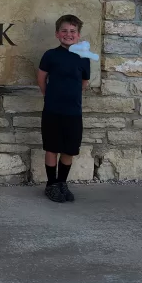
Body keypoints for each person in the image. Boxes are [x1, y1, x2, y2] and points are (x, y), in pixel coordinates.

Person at [37, 15, 90, 203]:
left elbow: (84, 81)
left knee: (69, 150)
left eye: (73, 31)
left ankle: (61, 183)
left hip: (73, 112)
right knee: (52, 148)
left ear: (78, 35)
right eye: (65, 31)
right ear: (57, 34)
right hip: (53, 110)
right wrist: (49, 96)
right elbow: (41, 78)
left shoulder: (83, 58)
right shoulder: (50, 55)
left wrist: (72, 96)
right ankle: (51, 185)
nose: (69, 34)